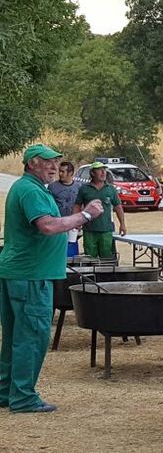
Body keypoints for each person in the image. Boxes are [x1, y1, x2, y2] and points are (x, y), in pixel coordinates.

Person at [0, 144, 105, 413]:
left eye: (56, 162)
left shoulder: (31, 189)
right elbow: (47, 226)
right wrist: (85, 215)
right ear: (31, 164)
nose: (54, 167)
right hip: (31, 275)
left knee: (16, 336)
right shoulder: (30, 190)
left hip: (21, 272)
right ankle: (23, 397)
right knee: (32, 336)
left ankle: (6, 392)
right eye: (47, 162)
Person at [74, 162, 126, 260]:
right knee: (90, 258)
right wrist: (76, 222)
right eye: (100, 170)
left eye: (104, 170)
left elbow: (118, 207)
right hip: (89, 229)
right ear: (93, 173)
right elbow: (77, 205)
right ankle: (92, 275)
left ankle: (106, 276)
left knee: (107, 258)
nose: (103, 173)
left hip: (106, 229)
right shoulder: (84, 189)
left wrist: (122, 224)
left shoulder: (110, 189)